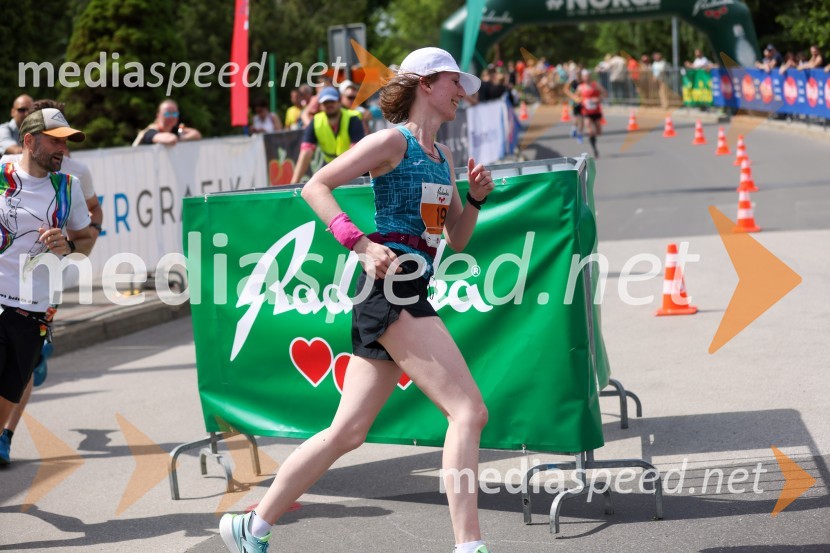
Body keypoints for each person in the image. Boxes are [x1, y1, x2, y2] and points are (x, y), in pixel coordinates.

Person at [219, 46, 495, 553]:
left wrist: (474, 197)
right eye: (455, 82)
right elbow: (315, 186)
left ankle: (251, 525)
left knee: (346, 433)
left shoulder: (444, 156)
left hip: (408, 288)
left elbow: (456, 238)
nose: (462, 92)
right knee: (468, 412)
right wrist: (361, 244)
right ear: (426, 84)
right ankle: (468, 545)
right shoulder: (393, 141)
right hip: (390, 290)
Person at [0, 99, 104, 465]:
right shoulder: (1, 173)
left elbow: (87, 238)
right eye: (56, 141)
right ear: (30, 142)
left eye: (67, 141)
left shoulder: (68, 187)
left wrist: (70, 244)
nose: (64, 148)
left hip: (32, 310)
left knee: (8, 398)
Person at [290, 86, 365, 183]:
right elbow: (305, 153)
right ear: (320, 105)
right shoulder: (316, 122)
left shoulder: (353, 119)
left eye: (332, 101)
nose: (329, 105)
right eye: (325, 102)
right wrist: (293, 184)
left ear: (339, 102)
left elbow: (357, 153)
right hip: (332, 168)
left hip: (356, 169)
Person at [564, 69, 606, 158]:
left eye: (588, 76)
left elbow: (605, 93)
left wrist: (598, 99)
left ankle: (593, 138)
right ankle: (595, 149)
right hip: (586, 112)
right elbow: (576, 97)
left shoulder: (595, 85)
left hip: (596, 111)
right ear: (583, 77)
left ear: (590, 76)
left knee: (599, 132)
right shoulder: (580, 87)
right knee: (590, 130)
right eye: (585, 76)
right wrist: (579, 100)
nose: (586, 78)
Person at [133, 99, 201, 146]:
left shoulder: (174, 130)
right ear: (158, 116)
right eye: (167, 114)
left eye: (174, 114)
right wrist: (179, 137)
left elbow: (196, 134)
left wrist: (181, 137)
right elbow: (170, 139)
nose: (171, 117)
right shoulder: (150, 131)